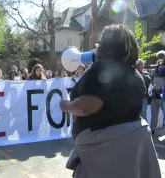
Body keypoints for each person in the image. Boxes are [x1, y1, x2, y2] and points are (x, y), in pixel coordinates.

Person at [60, 24, 161, 178]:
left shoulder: (100, 69)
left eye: (99, 43)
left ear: (105, 47)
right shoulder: (136, 74)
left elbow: (87, 107)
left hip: (105, 153)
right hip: (134, 149)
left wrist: (66, 105)